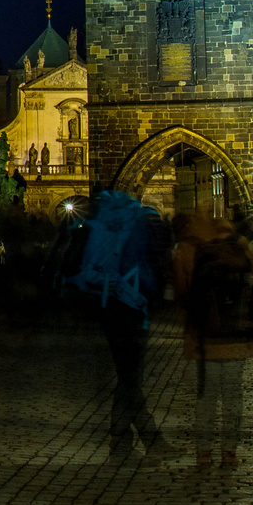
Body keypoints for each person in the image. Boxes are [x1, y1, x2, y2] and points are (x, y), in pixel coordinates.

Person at [61, 190, 174, 462]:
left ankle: (124, 445)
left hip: (105, 302)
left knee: (127, 376)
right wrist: (156, 297)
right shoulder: (138, 226)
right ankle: (146, 442)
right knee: (130, 378)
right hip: (129, 306)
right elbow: (144, 273)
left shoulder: (107, 224)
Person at [175, 214, 253, 468]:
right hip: (237, 335)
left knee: (207, 394)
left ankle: (203, 452)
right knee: (233, 394)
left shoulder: (189, 248)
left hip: (204, 337)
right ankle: (229, 452)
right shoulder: (242, 246)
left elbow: (182, 290)